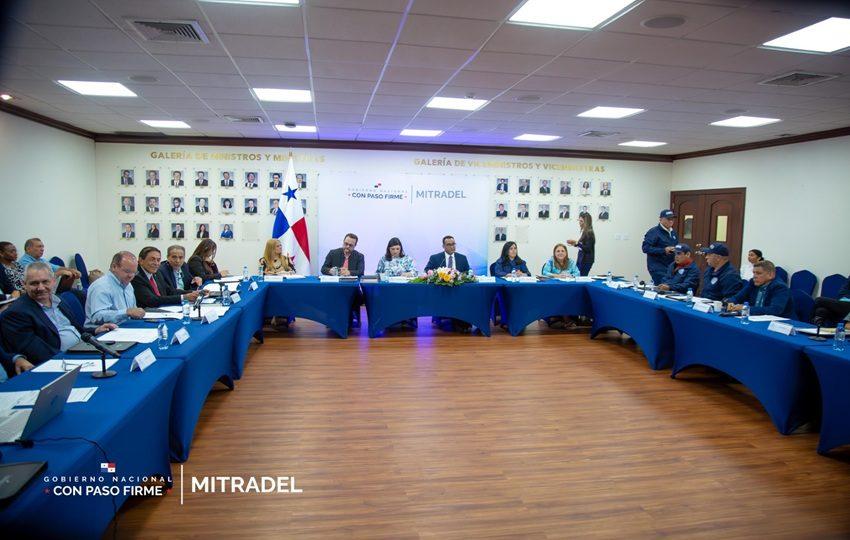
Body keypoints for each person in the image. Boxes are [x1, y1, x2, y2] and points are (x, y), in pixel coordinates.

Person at [1, 262, 116, 368]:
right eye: (34, 283)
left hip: (82, 350)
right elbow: (40, 354)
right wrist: (80, 361)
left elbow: (76, 330)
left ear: (53, 281)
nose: (40, 288)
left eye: (45, 282)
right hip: (63, 363)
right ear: (24, 284)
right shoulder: (16, 313)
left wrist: (95, 330)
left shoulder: (59, 301)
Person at [85, 252, 145, 325]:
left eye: (134, 272)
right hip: (104, 329)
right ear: (114, 267)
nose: (131, 276)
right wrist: (126, 312)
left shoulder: (128, 285)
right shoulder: (101, 286)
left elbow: (133, 311)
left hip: (126, 326)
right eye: (127, 271)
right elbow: (97, 317)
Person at [133, 247, 200, 309]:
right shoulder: (136, 277)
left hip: (163, 309)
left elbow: (169, 291)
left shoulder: (157, 272)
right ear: (141, 260)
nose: (156, 263)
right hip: (148, 312)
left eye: (158, 260)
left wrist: (194, 293)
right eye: (152, 259)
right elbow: (152, 300)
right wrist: (183, 297)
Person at [727, 260, 794, 318]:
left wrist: (745, 308)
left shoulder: (780, 287)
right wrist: (729, 303)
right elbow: (737, 298)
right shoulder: (753, 283)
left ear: (771, 275)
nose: (754, 276)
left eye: (758, 273)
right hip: (755, 319)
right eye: (754, 273)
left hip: (779, 323)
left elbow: (775, 310)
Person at [642, 209, 678, 285]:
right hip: (657, 267)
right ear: (661, 219)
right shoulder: (653, 232)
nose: (671, 221)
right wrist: (663, 250)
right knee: (664, 287)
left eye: (672, 219)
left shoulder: (673, 232)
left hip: (671, 267)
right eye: (668, 219)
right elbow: (645, 248)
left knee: (671, 287)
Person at [567, 212, 595, 276]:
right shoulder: (585, 232)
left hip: (586, 260)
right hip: (582, 258)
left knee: (581, 277)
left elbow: (588, 248)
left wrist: (577, 243)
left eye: (581, 221)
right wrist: (575, 244)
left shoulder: (589, 232)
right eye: (579, 221)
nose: (579, 223)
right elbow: (583, 246)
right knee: (578, 276)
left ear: (586, 222)